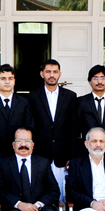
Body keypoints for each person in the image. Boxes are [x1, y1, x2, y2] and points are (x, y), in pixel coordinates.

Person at [28, 59, 78, 201]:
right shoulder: (33, 96)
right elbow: (31, 126)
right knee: (42, 192)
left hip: (63, 156)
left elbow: (74, 129)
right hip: (40, 154)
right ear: (42, 74)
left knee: (64, 194)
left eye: (55, 72)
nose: (52, 75)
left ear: (60, 74)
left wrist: (72, 157)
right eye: (48, 71)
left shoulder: (70, 97)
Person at [76, 65, 105, 152]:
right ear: (89, 81)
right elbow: (76, 129)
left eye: (103, 78)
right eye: (95, 78)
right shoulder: (81, 101)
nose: (99, 81)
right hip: (87, 150)